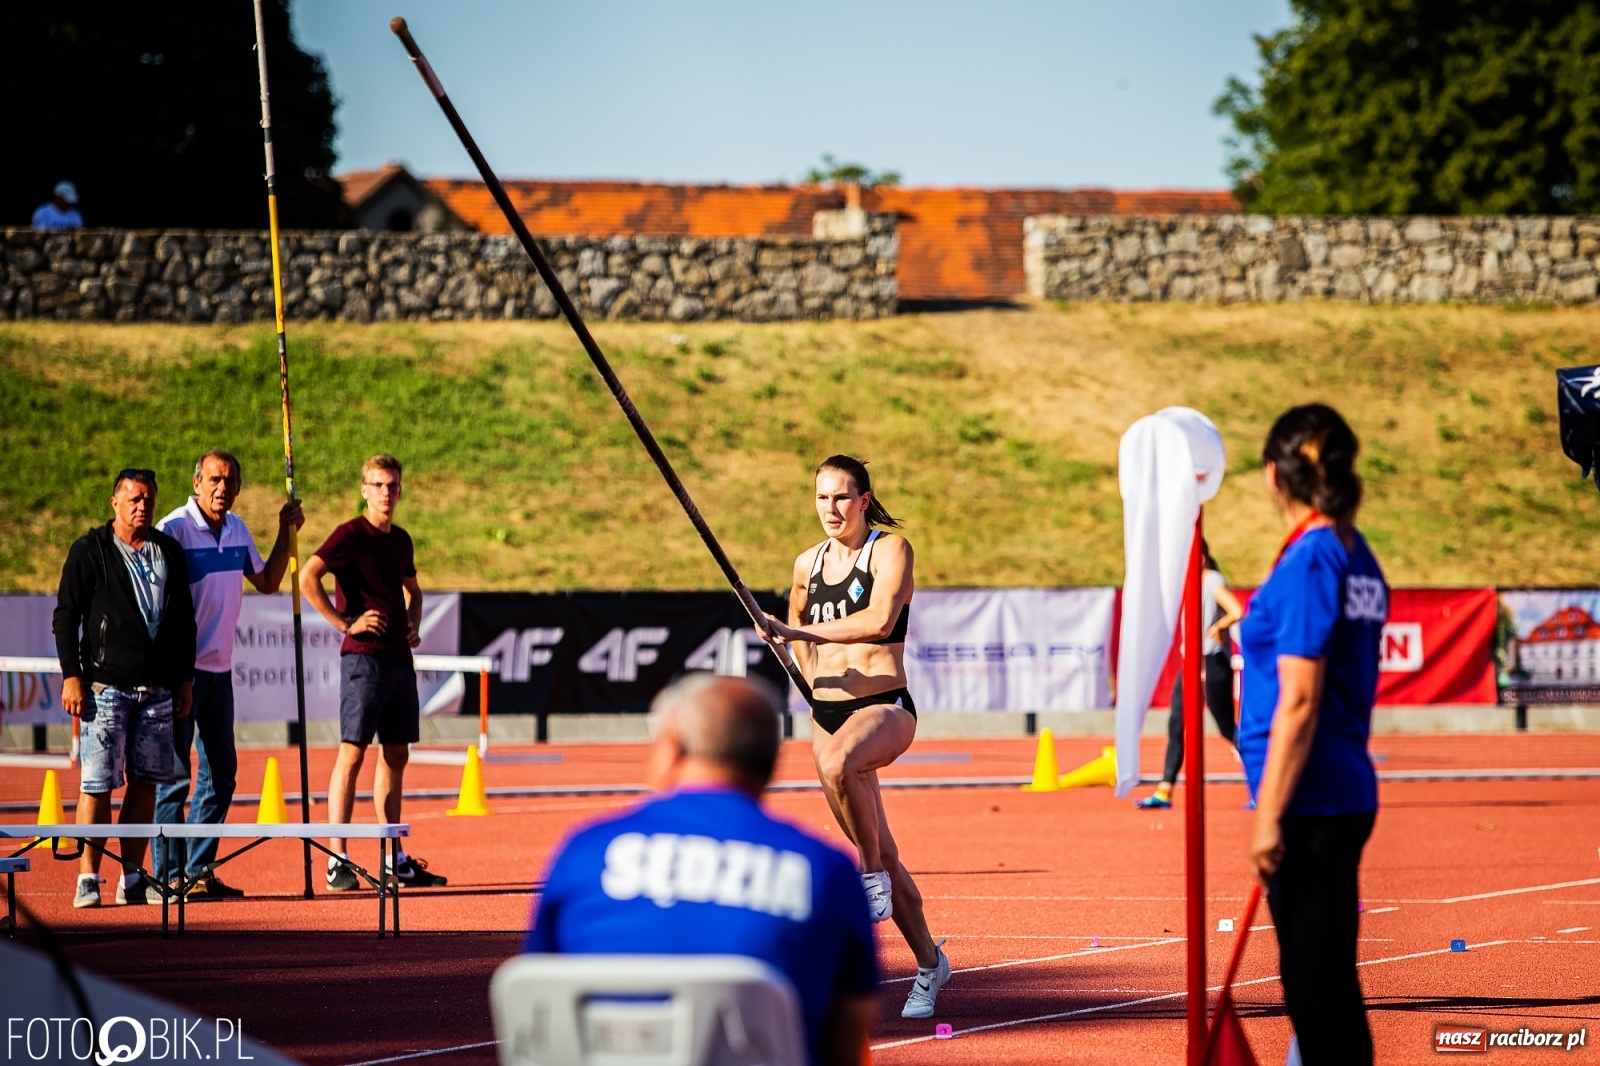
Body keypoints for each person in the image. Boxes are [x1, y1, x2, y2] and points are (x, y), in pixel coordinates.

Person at [526, 674, 876, 1066]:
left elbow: (539, 1001)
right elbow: (847, 1041)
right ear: (769, 763)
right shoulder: (825, 873)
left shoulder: (585, 853)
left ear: (671, 749)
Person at [760, 454, 949, 1020]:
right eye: (822, 498)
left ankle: (866, 872)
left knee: (843, 765)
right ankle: (928, 963)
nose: (831, 509)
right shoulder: (806, 564)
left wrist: (796, 629)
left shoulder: (890, 549)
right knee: (889, 856)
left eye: (842, 497)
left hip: (885, 706)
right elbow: (795, 637)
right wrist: (789, 646)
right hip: (827, 712)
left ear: (864, 500)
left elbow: (880, 621)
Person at [1237, 403, 1387, 1065]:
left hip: (1311, 798)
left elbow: (1300, 699)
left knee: (1316, 991)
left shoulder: (1311, 562)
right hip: (1337, 785)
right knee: (1329, 985)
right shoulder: (1354, 552)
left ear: (1275, 475)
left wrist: (1267, 815)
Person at [151, 449, 304, 900]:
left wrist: (285, 532)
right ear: (196, 481)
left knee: (221, 775)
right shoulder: (173, 530)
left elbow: (269, 580)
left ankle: (198, 872)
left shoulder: (236, 529)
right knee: (174, 776)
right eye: (215, 479)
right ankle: (167, 876)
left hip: (220, 672)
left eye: (231, 481)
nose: (223, 488)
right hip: (182, 674)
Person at [300, 454, 446, 890]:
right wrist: (345, 623)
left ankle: (392, 857)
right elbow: (309, 576)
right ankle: (336, 858)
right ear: (364, 489)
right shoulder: (350, 534)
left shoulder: (401, 540)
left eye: (393, 485)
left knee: (396, 755)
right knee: (353, 752)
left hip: (400, 659)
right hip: (363, 658)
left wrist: (413, 622)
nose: (386, 492)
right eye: (379, 485)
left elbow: (413, 590)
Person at [52, 469, 196, 908]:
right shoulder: (90, 550)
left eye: (148, 500)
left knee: (146, 783)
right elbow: (66, 616)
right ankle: (88, 878)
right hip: (105, 687)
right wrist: (72, 674)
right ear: (114, 502)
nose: (142, 506)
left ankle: (132, 878)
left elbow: (184, 622)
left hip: (157, 692)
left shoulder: (168, 550)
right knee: (97, 783)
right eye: (133, 498)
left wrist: (184, 679)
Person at [1136, 539, 1244, 809]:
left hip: (1211, 662)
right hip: (1192, 662)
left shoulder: (1210, 580)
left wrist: (1219, 626)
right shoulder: (1188, 583)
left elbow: (1237, 610)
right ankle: (1164, 790)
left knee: (1227, 729)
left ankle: (1264, 786)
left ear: (1201, 558)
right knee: (1176, 724)